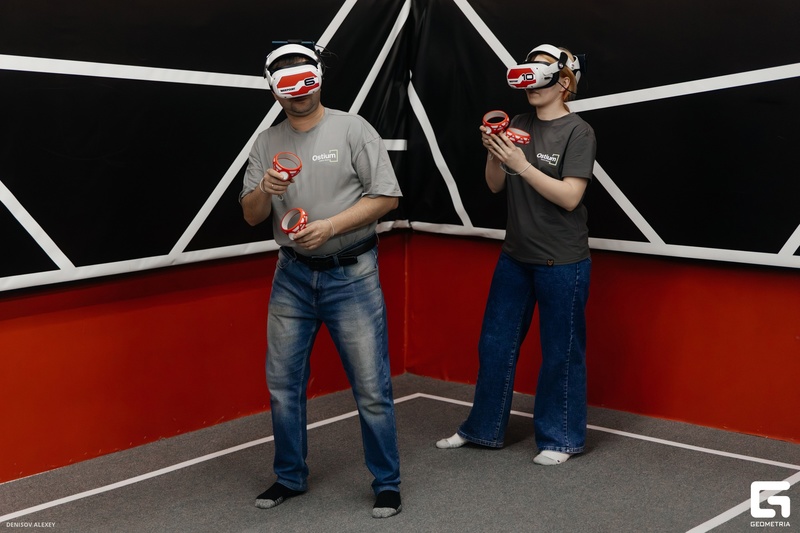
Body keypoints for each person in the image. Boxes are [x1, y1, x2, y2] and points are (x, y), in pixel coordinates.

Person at [240, 41, 403, 518]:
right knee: (283, 385)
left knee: (371, 388)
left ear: (319, 78)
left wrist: (331, 227)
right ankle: (290, 476)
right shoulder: (266, 142)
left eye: (305, 80)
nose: (299, 93)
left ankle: (387, 482)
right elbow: (251, 215)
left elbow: (387, 197)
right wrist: (264, 189)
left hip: (352, 274)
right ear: (274, 90)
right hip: (291, 276)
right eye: (287, 85)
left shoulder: (353, 128)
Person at [436, 44, 596, 466]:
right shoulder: (519, 122)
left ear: (564, 83)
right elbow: (494, 184)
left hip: (562, 262)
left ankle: (560, 439)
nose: (531, 80)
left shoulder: (579, 132)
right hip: (515, 258)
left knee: (561, 353)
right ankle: (483, 429)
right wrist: (496, 152)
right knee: (495, 346)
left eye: (541, 72)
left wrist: (522, 164)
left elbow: (570, 196)